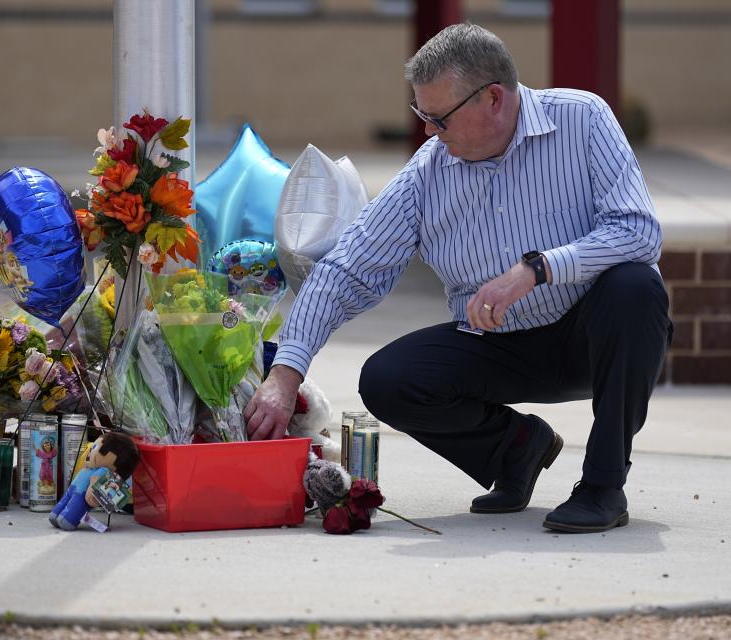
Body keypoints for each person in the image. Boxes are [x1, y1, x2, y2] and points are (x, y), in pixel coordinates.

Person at [244, 23, 671, 534]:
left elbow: (639, 233)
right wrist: (285, 374)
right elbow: (347, 267)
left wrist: (536, 269)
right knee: (387, 380)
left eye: (439, 117)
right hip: (497, 346)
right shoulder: (429, 170)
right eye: (421, 115)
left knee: (636, 288)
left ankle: (603, 486)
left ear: (493, 98)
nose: (428, 131)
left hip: (593, 337)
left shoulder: (583, 120)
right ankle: (516, 450)